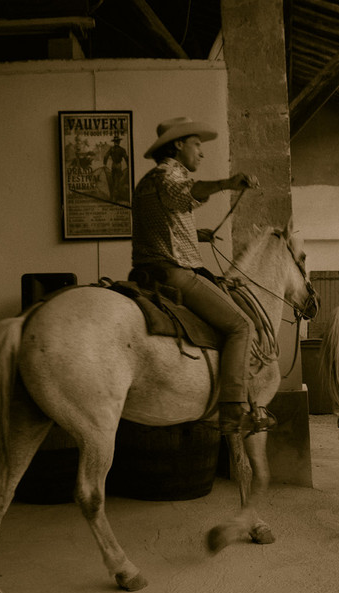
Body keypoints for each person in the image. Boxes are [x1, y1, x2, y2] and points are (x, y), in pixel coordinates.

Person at [131, 116, 263, 435]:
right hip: (173, 274)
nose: (201, 153)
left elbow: (167, 219)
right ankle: (233, 410)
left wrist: (196, 233)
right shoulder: (169, 174)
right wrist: (227, 183)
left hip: (146, 272)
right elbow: (189, 190)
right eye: (197, 144)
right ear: (178, 145)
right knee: (241, 325)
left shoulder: (148, 180)